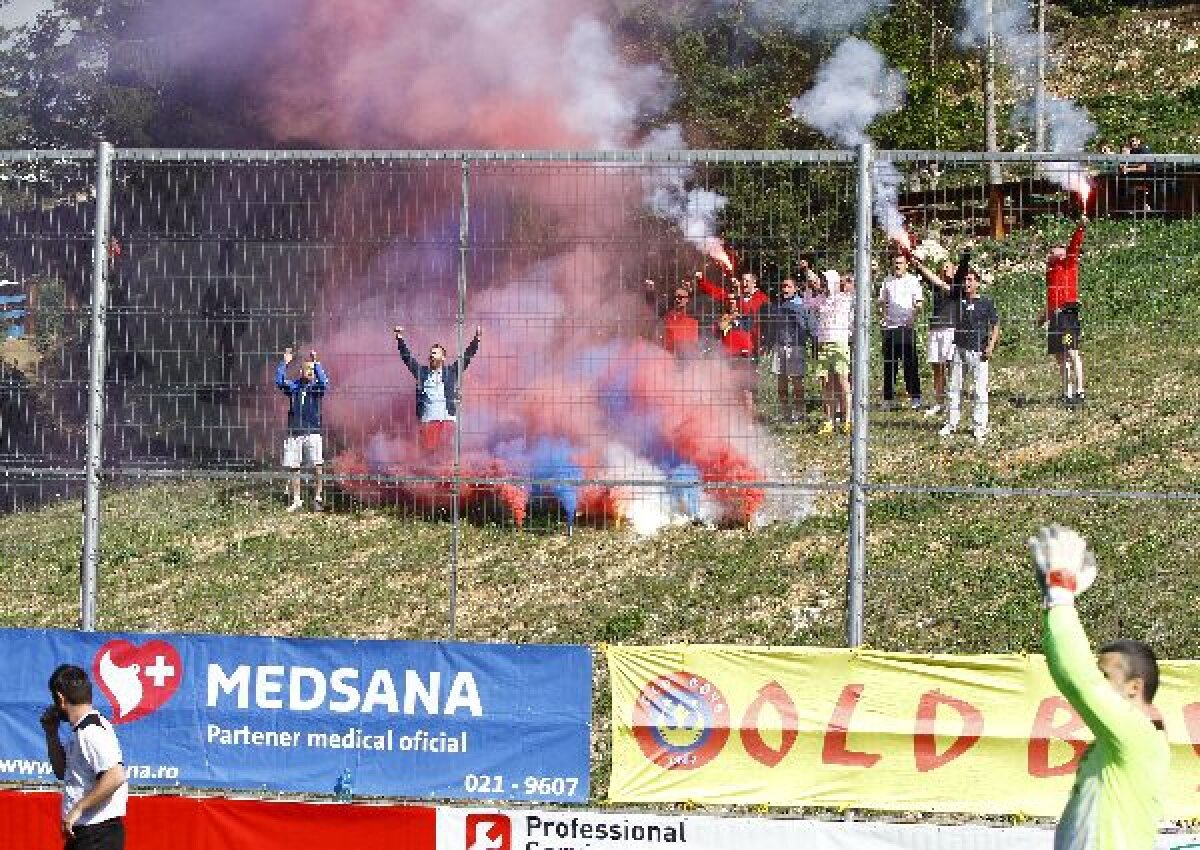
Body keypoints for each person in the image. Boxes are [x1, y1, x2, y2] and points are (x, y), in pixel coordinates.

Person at [1027, 524, 1170, 850]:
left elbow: (1077, 679)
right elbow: (1077, 675)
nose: (1098, 684)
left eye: (1106, 676)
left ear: (1135, 688)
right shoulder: (1123, 740)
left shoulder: (1138, 735)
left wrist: (1060, 595)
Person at [42, 664, 128, 850]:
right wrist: (51, 734)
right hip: (87, 833)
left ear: (60, 698)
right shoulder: (81, 729)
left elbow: (115, 775)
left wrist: (79, 808)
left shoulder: (91, 731)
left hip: (98, 833)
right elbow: (60, 771)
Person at [932, 257, 1000, 443]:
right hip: (959, 349)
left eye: (971, 280)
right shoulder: (957, 299)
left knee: (979, 390)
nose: (967, 283)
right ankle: (951, 423)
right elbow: (937, 281)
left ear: (978, 282)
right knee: (954, 388)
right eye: (965, 279)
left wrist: (990, 347)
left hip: (979, 351)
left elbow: (995, 326)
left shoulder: (986, 303)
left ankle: (979, 427)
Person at [395, 325, 482, 453]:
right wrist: (399, 338)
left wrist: (476, 340)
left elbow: (466, 357)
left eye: (435, 353)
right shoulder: (421, 372)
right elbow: (407, 358)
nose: (432, 356)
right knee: (430, 455)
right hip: (429, 422)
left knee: (449, 455)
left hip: (448, 421)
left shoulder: (451, 372)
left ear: (443, 357)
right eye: (431, 354)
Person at [907, 249, 969, 417]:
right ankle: (939, 403)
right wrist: (917, 265)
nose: (946, 269)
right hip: (935, 331)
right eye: (943, 267)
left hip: (951, 331)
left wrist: (966, 253)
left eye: (949, 267)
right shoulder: (936, 286)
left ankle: (952, 402)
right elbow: (929, 277)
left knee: (951, 367)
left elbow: (962, 268)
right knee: (937, 368)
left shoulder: (958, 287)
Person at [1041, 215, 1087, 407]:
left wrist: (1081, 227)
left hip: (1067, 316)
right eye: (1052, 250)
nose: (1054, 251)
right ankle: (1066, 393)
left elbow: (1074, 246)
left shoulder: (1068, 264)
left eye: (1057, 249)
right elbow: (1051, 301)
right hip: (1055, 320)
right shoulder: (1050, 273)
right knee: (1060, 356)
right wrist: (1043, 317)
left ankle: (1080, 391)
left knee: (1071, 351)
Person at [275, 347, 329, 512]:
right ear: (300, 371)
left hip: (313, 432)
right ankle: (297, 500)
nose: (310, 372)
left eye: (312, 370)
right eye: (307, 369)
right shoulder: (294, 387)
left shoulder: (315, 388)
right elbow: (279, 382)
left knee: (317, 466)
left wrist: (316, 363)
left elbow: (324, 382)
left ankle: (318, 498)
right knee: (294, 467)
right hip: (295, 433)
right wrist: (284, 363)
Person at [761, 278, 817, 424]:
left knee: (797, 380)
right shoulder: (778, 305)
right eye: (783, 286)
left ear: (795, 289)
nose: (785, 289)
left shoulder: (802, 305)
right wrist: (768, 343)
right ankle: (785, 412)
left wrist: (815, 345)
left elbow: (811, 326)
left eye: (788, 286)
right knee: (781, 381)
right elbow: (773, 327)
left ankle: (800, 413)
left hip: (796, 347)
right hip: (779, 347)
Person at [877, 253, 924, 410]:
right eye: (895, 263)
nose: (898, 265)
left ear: (906, 265)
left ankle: (915, 397)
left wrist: (912, 318)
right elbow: (882, 302)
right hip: (890, 328)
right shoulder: (887, 281)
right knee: (889, 365)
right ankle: (888, 399)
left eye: (900, 263)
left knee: (910, 364)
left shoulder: (913, 281)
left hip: (906, 327)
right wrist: (883, 318)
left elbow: (918, 303)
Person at [811, 270, 855, 435]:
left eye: (825, 279)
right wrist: (810, 285)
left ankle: (847, 420)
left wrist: (848, 281)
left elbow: (857, 288)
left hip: (840, 343)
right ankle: (829, 420)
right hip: (823, 344)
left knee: (843, 380)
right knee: (826, 382)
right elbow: (808, 303)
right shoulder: (822, 300)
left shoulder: (845, 297)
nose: (823, 282)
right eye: (822, 279)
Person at [645, 280, 701, 355]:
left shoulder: (694, 314)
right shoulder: (668, 314)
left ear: (687, 298)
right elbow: (653, 306)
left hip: (689, 354)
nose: (677, 299)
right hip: (670, 354)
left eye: (681, 297)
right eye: (676, 297)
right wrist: (650, 291)